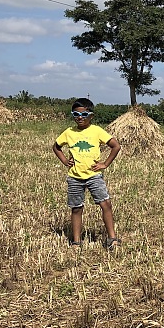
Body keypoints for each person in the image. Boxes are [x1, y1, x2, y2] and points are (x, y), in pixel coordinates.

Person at [52, 98, 121, 250]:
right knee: (76, 208)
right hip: (75, 177)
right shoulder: (69, 133)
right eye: (76, 114)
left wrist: (105, 164)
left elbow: (115, 146)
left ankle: (112, 238)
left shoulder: (96, 131)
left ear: (91, 115)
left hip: (94, 175)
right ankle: (76, 242)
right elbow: (56, 147)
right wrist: (65, 161)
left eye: (84, 114)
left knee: (105, 204)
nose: (79, 117)